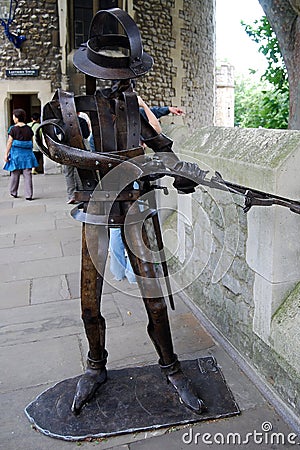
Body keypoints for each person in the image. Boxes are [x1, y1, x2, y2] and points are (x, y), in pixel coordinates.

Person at [38, 8, 204, 415]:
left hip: (135, 211)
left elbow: (163, 150)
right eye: (111, 80)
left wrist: (183, 173)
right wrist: (118, 163)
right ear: (93, 73)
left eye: (124, 82)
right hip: (95, 212)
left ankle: (171, 365)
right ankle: (96, 367)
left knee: (154, 299)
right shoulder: (69, 107)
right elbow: (58, 148)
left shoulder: (133, 109)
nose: (117, 88)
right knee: (88, 304)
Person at [110, 103, 185, 284]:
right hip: (132, 179)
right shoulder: (134, 125)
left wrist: (166, 110)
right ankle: (132, 273)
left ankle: (118, 271)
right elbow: (155, 129)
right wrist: (142, 103)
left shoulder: (105, 123)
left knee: (115, 227)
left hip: (109, 181)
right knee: (134, 227)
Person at [3, 108, 38, 200]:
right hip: (27, 155)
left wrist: (6, 154)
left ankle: (13, 192)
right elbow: (31, 141)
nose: (13, 118)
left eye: (14, 116)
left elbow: (10, 142)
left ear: (17, 118)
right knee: (28, 175)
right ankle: (29, 195)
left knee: (15, 174)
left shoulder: (13, 129)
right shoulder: (29, 129)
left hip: (16, 155)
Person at [63, 114, 90, 204]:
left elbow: (61, 137)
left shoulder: (63, 122)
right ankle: (82, 194)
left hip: (67, 149)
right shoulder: (81, 120)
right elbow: (86, 134)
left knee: (68, 173)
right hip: (80, 148)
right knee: (81, 171)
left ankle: (72, 195)